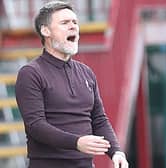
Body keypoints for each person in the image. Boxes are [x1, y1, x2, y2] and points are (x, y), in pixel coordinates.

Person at [15, 1, 128, 168]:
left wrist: (116, 151)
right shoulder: (30, 73)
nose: (73, 26)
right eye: (64, 23)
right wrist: (77, 142)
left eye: (75, 22)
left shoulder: (86, 72)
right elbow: (36, 126)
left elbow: (99, 119)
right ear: (45, 31)